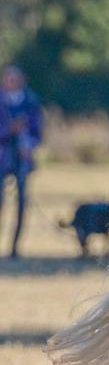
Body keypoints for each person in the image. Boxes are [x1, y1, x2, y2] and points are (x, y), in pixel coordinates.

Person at [0, 66, 43, 258]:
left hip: (22, 159)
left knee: (22, 203)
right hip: (3, 157)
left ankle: (15, 247)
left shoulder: (31, 101)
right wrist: (10, 130)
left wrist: (29, 146)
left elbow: (37, 132)